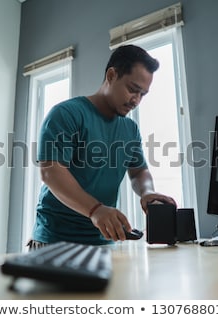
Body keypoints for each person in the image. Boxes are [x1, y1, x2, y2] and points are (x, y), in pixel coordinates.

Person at [30, 44, 176, 249]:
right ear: (111, 75)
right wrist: (95, 210)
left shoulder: (130, 129)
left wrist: (147, 192)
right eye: (133, 89)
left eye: (143, 94)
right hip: (55, 240)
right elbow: (51, 172)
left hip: (103, 241)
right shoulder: (66, 114)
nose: (136, 100)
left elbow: (139, 171)